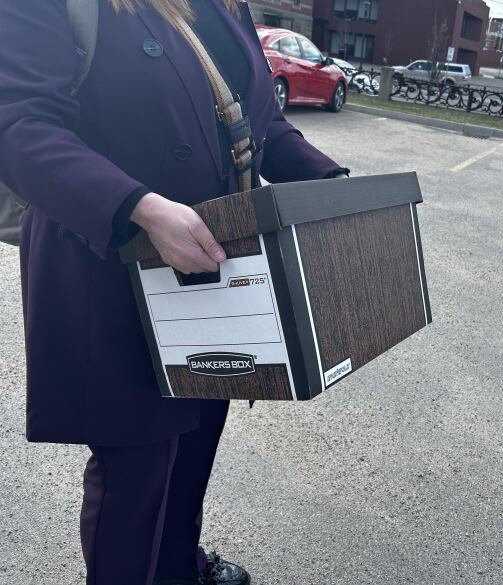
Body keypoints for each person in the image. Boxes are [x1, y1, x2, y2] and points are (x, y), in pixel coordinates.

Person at [0, 1, 348, 583]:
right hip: (112, 269)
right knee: (135, 478)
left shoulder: (224, 6)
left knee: (193, 448)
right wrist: (138, 208)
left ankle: (177, 570)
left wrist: (328, 179)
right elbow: (18, 124)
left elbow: (254, 122)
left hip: (212, 275)